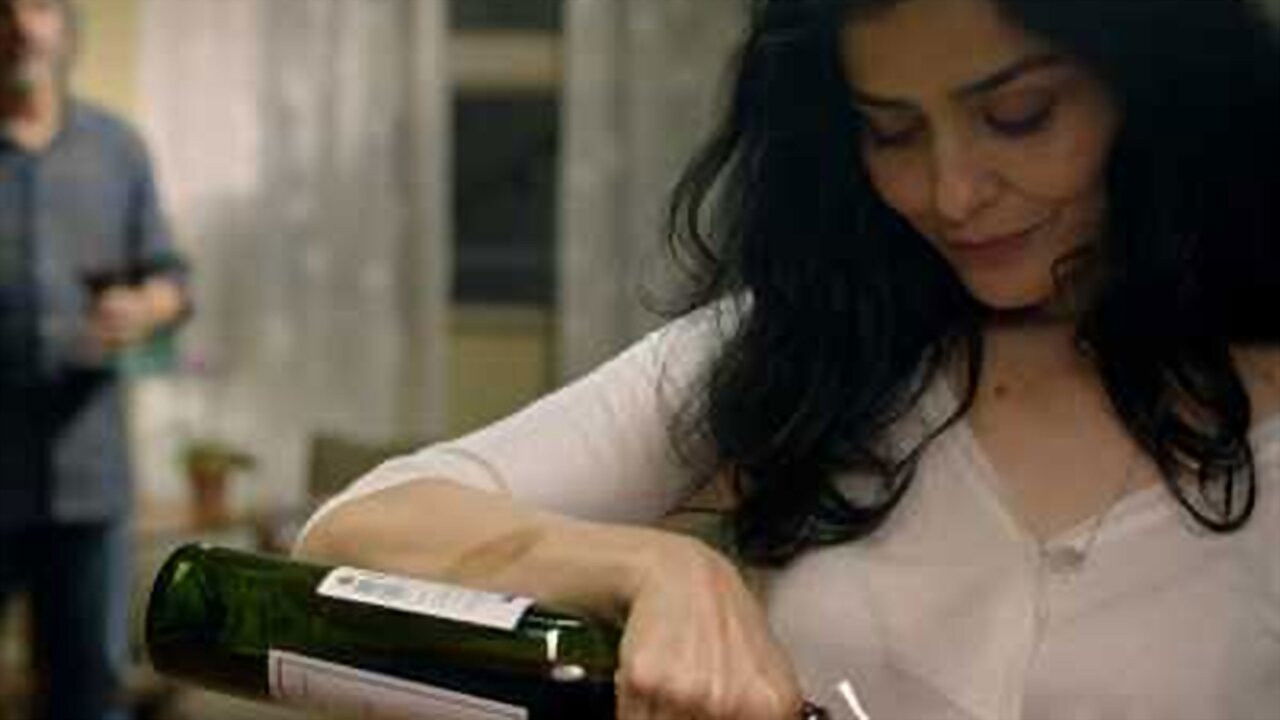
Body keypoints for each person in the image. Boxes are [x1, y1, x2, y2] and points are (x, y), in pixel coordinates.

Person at [297, 0, 1280, 718]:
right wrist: (653, 567)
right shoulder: (805, 344)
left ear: (1157, 89)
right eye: (891, 131)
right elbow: (351, 533)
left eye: (1017, 116)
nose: (950, 192)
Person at [0, 1, 189, 718]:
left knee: (89, 697)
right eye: (5, 10)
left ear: (65, 26)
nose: (22, 26)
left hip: (90, 479)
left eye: (39, 5)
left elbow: (171, 280)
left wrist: (146, 306)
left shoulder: (117, 149)